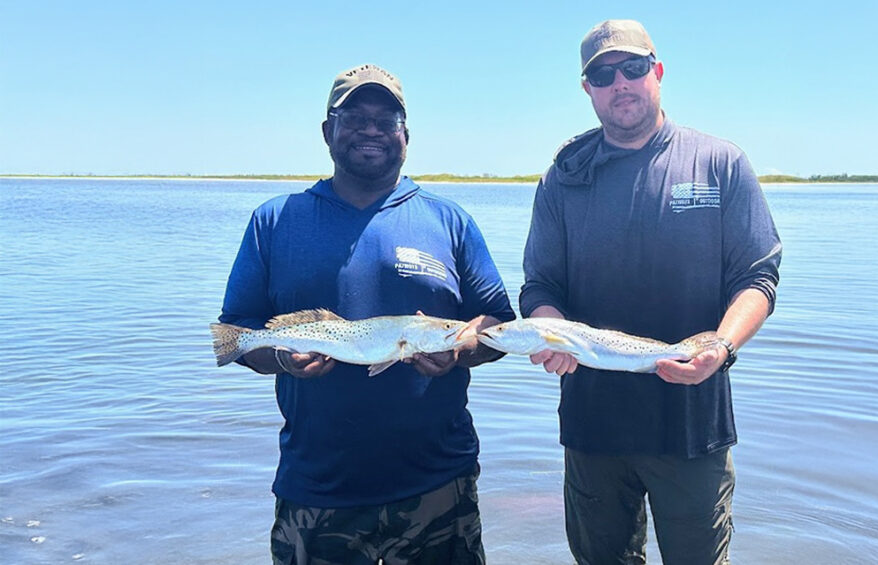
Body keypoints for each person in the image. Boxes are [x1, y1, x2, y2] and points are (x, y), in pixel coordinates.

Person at [218, 63, 515, 564]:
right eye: (354, 117)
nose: (371, 130)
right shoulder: (274, 220)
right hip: (317, 487)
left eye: (386, 119)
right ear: (327, 130)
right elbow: (239, 333)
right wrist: (284, 359)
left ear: (406, 134)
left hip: (439, 484)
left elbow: (496, 324)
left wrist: (461, 349)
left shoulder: (450, 220)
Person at [520, 20, 782, 565]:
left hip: (691, 422)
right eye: (603, 73)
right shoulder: (561, 180)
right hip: (593, 428)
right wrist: (551, 333)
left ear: (657, 73)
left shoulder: (718, 163)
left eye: (633, 68)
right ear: (587, 88)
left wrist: (721, 347)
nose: (621, 82)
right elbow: (541, 285)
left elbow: (757, 278)